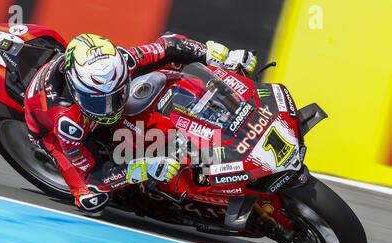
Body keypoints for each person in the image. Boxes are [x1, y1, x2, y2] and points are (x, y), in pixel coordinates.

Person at [24, 32, 257, 216]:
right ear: (77, 91)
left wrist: (214, 56)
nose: (110, 107)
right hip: (46, 129)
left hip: (97, 91)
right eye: (99, 102)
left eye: (115, 95)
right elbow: (91, 177)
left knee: (172, 53)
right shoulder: (67, 122)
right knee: (90, 201)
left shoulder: (123, 61)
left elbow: (169, 46)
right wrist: (145, 166)